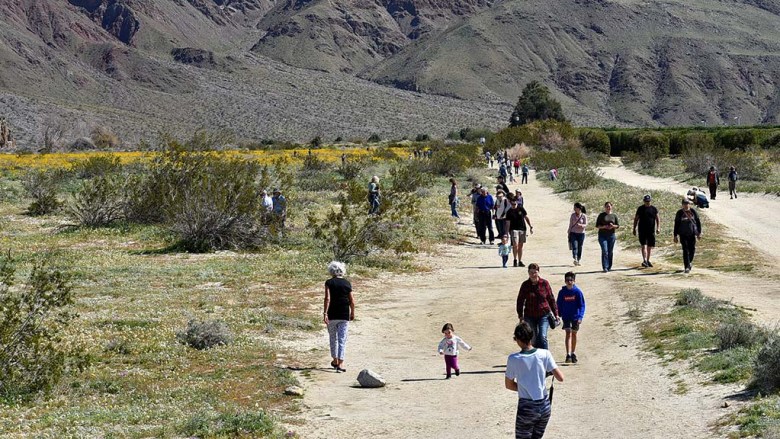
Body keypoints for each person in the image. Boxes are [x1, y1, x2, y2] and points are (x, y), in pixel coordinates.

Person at [505, 322, 564, 439]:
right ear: (531, 337)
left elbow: (509, 385)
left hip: (526, 408)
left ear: (517, 339)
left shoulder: (513, 359)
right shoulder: (545, 354)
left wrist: (524, 387)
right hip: (545, 407)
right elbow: (560, 377)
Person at [516, 263, 558, 350]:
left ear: (538, 272)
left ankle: (546, 357)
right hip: (529, 315)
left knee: (542, 337)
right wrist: (520, 316)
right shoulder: (525, 285)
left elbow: (551, 299)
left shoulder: (545, 283)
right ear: (528, 273)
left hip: (544, 315)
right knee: (532, 339)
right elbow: (520, 301)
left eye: (535, 272)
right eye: (531, 272)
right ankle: (534, 358)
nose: (533, 275)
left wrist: (556, 314)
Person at [323, 261, 355, 373]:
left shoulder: (329, 282)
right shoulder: (347, 283)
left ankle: (335, 360)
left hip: (332, 314)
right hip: (344, 314)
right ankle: (340, 364)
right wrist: (352, 313)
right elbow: (352, 301)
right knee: (342, 339)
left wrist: (325, 313)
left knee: (333, 338)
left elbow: (327, 299)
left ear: (331, 271)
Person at [556, 272, 585, 364]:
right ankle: (568, 354)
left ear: (574, 281)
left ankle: (573, 352)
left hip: (575, 317)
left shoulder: (577, 292)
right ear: (565, 281)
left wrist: (580, 317)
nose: (569, 282)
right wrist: (558, 314)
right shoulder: (562, 292)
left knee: (574, 334)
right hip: (566, 316)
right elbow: (558, 304)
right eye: (567, 280)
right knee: (568, 333)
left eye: (571, 280)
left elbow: (582, 305)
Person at [674, 198, 702, 273]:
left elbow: (698, 222)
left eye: (687, 204)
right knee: (685, 250)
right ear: (682, 205)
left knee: (692, 249)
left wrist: (699, 233)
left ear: (689, 204)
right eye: (684, 204)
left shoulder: (693, 211)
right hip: (683, 234)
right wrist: (675, 235)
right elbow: (676, 224)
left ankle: (689, 262)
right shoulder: (679, 213)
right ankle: (687, 266)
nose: (686, 205)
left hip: (692, 234)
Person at [633, 194, 661, 268]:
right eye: (646, 201)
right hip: (642, 229)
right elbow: (636, 219)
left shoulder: (654, 209)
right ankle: (644, 260)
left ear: (650, 201)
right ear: (644, 201)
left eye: (648, 201)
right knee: (643, 245)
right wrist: (634, 228)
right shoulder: (640, 209)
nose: (647, 202)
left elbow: (657, 219)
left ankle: (647, 260)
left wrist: (658, 228)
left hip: (651, 230)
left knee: (649, 246)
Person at [506, 198, 533, 267]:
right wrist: (506, 232)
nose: (514, 205)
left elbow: (526, 217)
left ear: (517, 203)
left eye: (515, 204)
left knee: (520, 246)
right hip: (513, 229)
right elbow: (508, 223)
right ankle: (515, 260)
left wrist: (530, 226)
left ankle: (520, 261)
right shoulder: (509, 212)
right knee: (515, 244)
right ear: (510, 204)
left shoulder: (521, 209)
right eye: (512, 204)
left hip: (522, 229)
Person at [595, 202, 619, 272]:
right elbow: (597, 225)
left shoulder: (614, 216)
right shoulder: (601, 215)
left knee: (610, 251)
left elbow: (617, 226)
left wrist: (612, 226)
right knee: (605, 251)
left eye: (609, 206)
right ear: (605, 207)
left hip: (611, 235)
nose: (608, 208)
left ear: (612, 207)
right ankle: (605, 267)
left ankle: (609, 266)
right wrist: (604, 226)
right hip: (602, 236)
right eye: (607, 206)